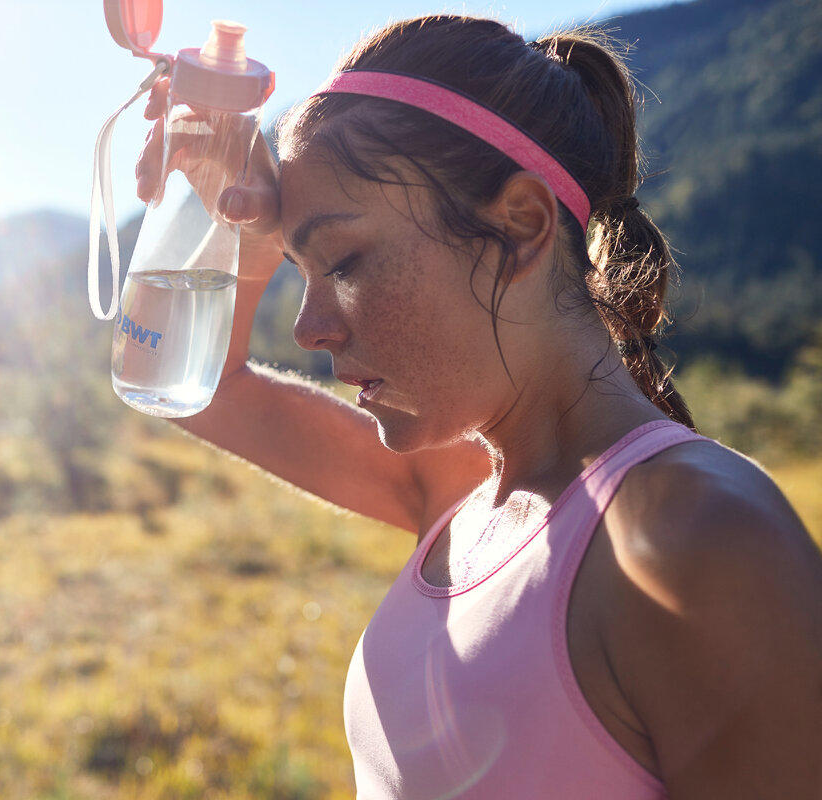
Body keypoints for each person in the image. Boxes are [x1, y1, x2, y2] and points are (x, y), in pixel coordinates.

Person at [135, 14, 822, 799]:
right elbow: (191, 387)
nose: (308, 326)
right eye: (303, 271)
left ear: (521, 226)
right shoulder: (461, 494)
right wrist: (242, 220)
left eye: (347, 261)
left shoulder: (703, 540)